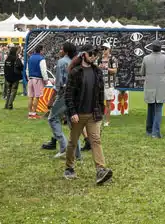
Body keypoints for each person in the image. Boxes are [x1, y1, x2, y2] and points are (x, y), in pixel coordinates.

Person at [61, 46, 113, 185]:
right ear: (83, 55)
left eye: (96, 54)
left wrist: (101, 111)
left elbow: (100, 92)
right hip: (78, 114)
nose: (94, 56)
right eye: (91, 53)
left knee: (95, 140)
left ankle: (101, 170)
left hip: (93, 114)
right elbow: (68, 95)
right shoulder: (75, 72)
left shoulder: (97, 71)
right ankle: (69, 168)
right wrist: (72, 113)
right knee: (73, 142)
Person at [43, 43, 77, 155]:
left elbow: (58, 85)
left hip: (63, 94)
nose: (59, 50)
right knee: (73, 125)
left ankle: (63, 146)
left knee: (52, 118)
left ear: (66, 51)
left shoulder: (61, 62)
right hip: (74, 95)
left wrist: (51, 99)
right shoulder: (75, 62)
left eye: (61, 49)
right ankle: (77, 153)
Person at [141, 42, 165, 138]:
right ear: (160, 48)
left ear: (152, 48)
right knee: (158, 109)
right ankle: (155, 132)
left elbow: (142, 72)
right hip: (161, 86)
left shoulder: (146, 58)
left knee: (150, 108)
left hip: (149, 85)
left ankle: (149, 130)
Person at [25, 46, 47, 119]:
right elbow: (43, 70)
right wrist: (46, 80)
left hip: (30, 79)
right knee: (36, 97)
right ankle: (34, 113)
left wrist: (28, 77)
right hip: (37, 79)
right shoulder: (41, 59)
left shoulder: (30, 58)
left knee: (30, 97)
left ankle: (30, 113)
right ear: (41, 50)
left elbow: (27, 69)